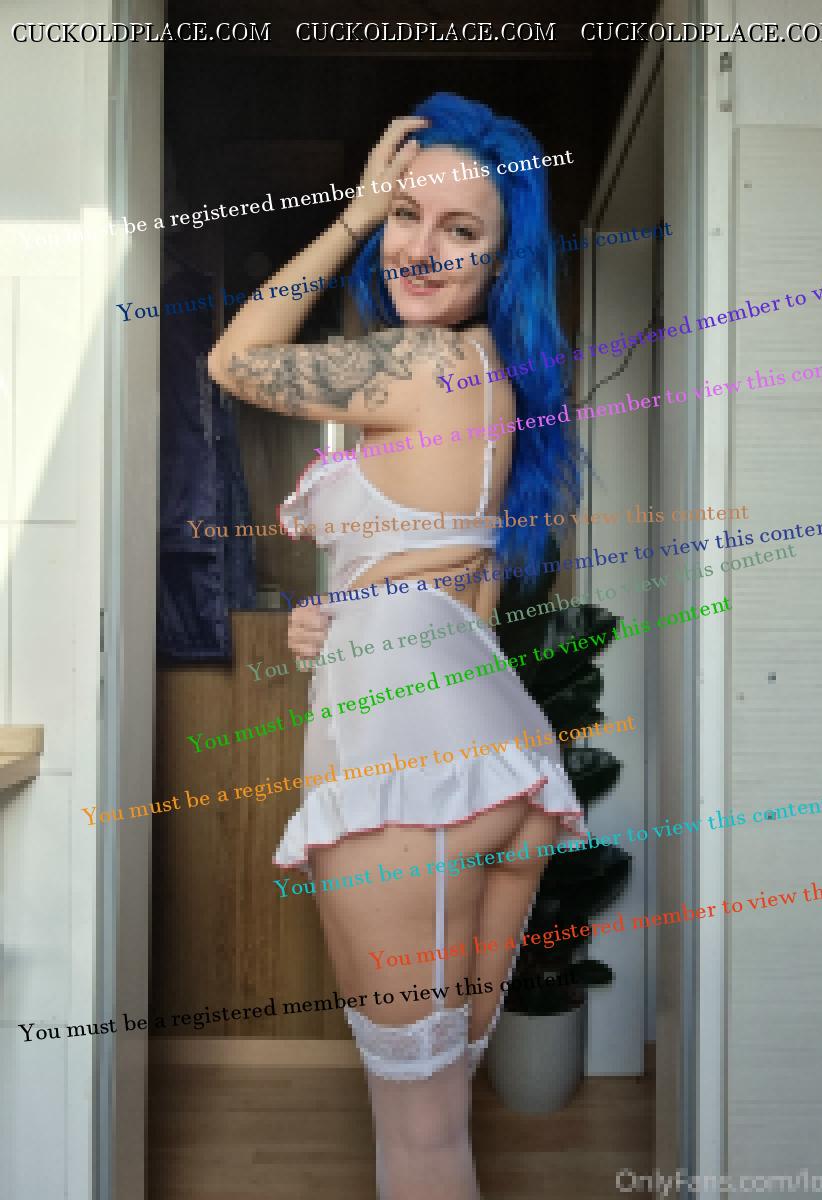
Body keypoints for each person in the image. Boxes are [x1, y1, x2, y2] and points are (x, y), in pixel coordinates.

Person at [208, 91, 586, 1200]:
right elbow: (457, 599)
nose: (418, 248)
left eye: (458, 230)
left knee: (417, 1136)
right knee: (442, 1115)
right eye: (406, 216)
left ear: (502, 259)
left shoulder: (415, 365)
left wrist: (354, 216)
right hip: (499, 756)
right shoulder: (492, 379)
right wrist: (344, 620)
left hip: (408, 770)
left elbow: (236, 360)